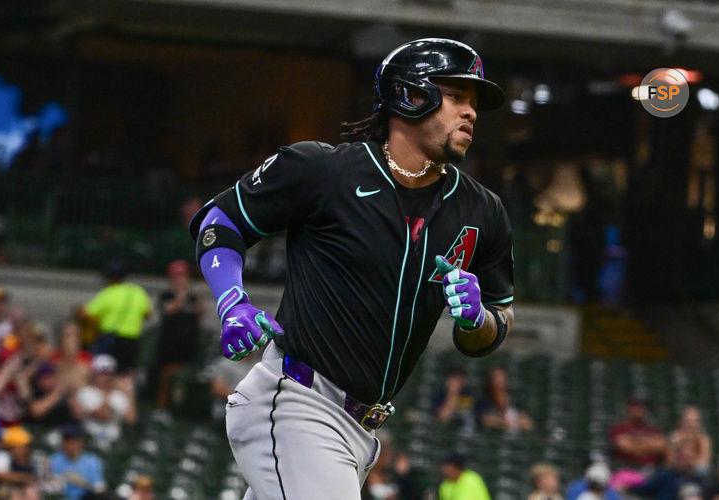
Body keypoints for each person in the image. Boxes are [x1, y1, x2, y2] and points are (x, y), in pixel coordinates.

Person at [188, 38, 514, 500]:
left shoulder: (484, 212)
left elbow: (499, 321)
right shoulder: (324, 170)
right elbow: (219, 221)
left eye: (475, 102)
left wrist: (478, 319)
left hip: (363, 431)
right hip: (298, 401)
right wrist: (230, 299)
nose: (472, 112)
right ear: (410, 94)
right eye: (457, 95)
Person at [82, 262, 152, 373]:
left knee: (106, 373)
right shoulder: (138, 292)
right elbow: (148, 314)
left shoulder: (109, 292)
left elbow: (86, 313)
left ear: (111, 278)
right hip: (133, 341)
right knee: (127, 374)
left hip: (112, 340)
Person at [155, 260, 203, 410]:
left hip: (189, 346)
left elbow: (200, 312)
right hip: (170, 347)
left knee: (184, 384)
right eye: (178, 276)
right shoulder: (166, 295)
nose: (182, 280)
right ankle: (162, 410)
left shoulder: (194, 297)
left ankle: (182, 410)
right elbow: (168, 310)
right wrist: (181, 296)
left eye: (184, 276)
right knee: (166, 380)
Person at [73, 354, 137, 448]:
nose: (105, 377)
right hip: (90, 440)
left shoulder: (118, 395)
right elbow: (102, 416)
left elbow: (131, 419)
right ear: (94, 373)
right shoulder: (86, 392)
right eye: (102, 373)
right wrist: (107, 397)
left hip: (113, 443)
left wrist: (129, 393)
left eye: (108, 373)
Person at [626, 438, 706, 500]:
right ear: (677, 457)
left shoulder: (700, 480)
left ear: (696, 458)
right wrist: (627, 487)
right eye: (683, 457)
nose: (686, 461)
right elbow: (645, 489)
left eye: (689, 457)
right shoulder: (666, 476)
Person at [48, 424, 106, 500]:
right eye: (67, 441)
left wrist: (83, 483)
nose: (71, 446)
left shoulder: (92, 461)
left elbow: (100, 488)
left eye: (74, 442)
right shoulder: (54, 460)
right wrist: (61, 480)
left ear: (81, 442)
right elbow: (49, 487)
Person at [608, 397, 667, 469]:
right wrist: (650, 444)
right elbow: (625, 447)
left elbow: (661, 446)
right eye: (635, 405)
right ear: (628, 407)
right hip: (626, 470)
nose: (639, 409)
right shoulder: (618, 429)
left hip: (652, 471)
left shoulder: (654, 430)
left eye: (642, 406)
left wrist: (634, 442)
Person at [477, 367, 533, 432]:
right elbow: (484, 420)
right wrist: (504, 423)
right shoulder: (483, 401)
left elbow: (528, 424)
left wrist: (510, 422)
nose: (499, 382)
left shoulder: (513, 400)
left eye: (502, 378)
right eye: (496, 379)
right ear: (489, 383)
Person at [0, 426, 39, 500]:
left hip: (21, 490)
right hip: (3, 491)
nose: (25, 449)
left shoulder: (31, 459)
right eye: (21, 446)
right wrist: (22, 478)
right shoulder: (3, 457)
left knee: (31, 491)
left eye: (26, 446)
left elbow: (34, 479)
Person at [669, 406, 712, 473]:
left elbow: (704, 463)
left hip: (696, 473)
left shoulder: (704, 440)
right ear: (682, 421)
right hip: (677, 472)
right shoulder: (675, 437)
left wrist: (689, 463)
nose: (691, 425)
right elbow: (670, 460)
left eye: (694, 421)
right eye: (688, 421)